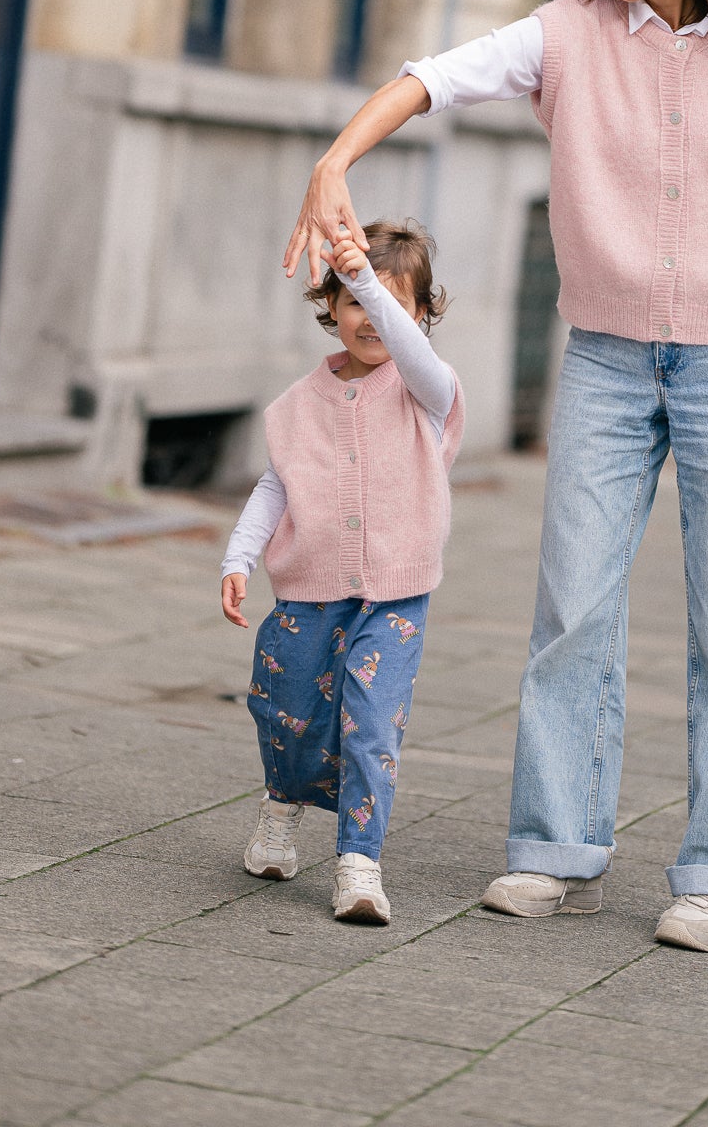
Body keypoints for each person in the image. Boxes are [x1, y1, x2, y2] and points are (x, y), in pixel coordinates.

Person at [283, 0, 708, 952]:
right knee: (571, 613)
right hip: (604, 360)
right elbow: (434, 76)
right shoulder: (566, 34)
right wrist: (335, 162)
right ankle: (556, 848)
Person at [220, 220, 463, 926]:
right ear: (329, 306)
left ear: (419, 317)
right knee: (286, 713)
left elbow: (411, 351)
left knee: (370, 726)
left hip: (393, 593)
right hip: (307, 593)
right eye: (354, 299)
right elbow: (275, 486)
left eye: (391, 302)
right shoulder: (296, 404)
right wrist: (238, 557)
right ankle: (281, 807)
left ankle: (359, 863)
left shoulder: (428, 390)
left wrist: (365, 277)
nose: (369, 316)